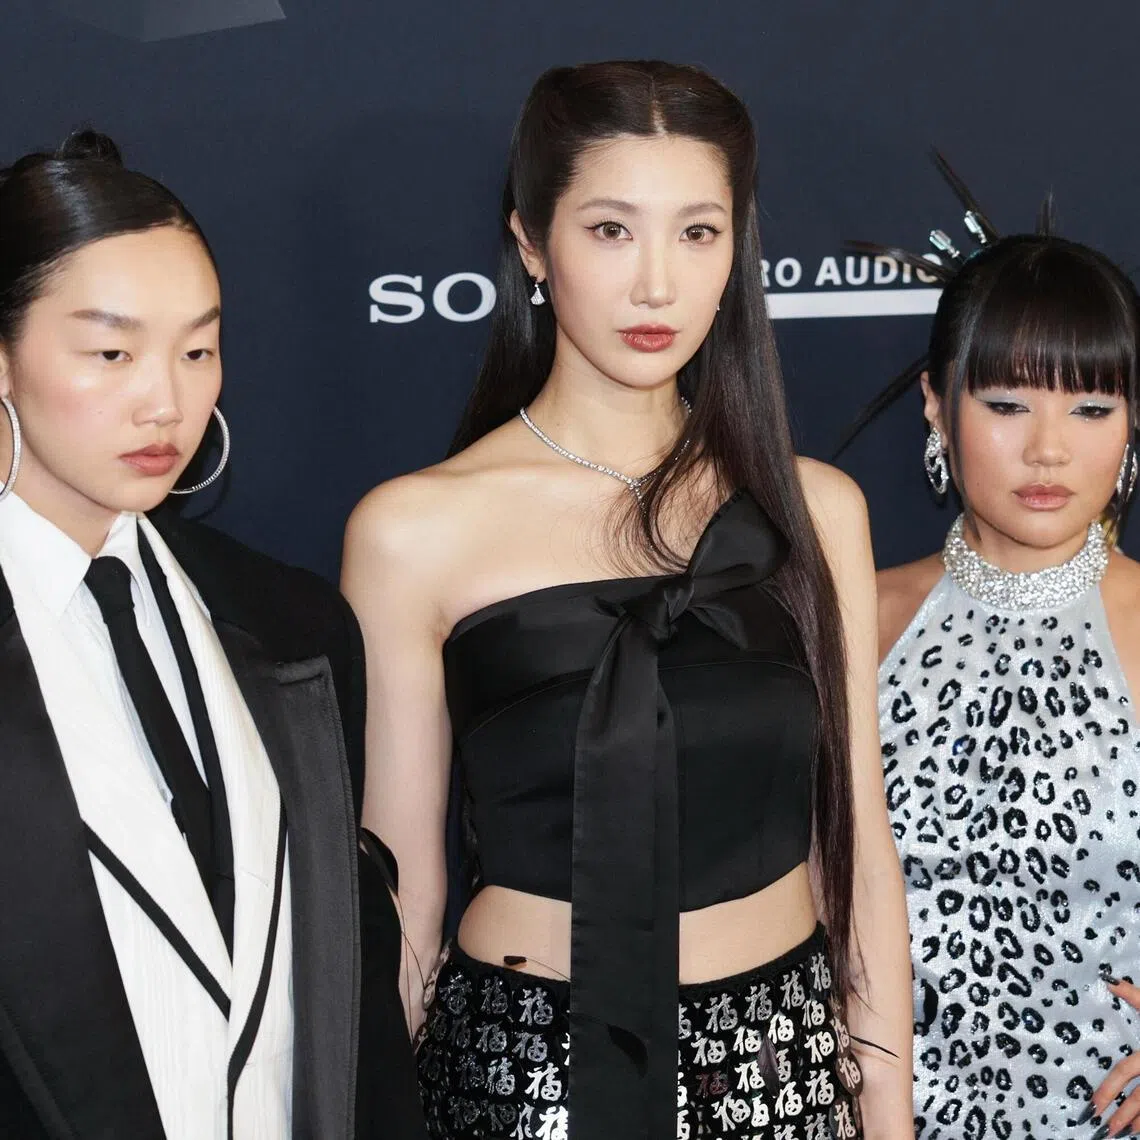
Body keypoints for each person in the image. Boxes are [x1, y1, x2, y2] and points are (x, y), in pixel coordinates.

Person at [343, 60, 913, 1139]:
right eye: (611, 230)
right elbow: (404, 892)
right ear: (530, 243)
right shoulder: (413, 529)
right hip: (521, 1076)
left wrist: (886, 1105)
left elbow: (858, 847)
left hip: (779, 1058)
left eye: (698, 233)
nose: (658, 283)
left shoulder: (815, 510)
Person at [0, 131, 425, 1140]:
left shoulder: (293, 623)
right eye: (111, 353)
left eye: (198, 349)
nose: (169, 399)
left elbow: (351, 994)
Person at [857, 168, 1140, 1138]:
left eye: (1092, 409)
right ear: (938, 407)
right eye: (1010, 404)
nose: (1050, 451)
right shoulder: (853, 618)